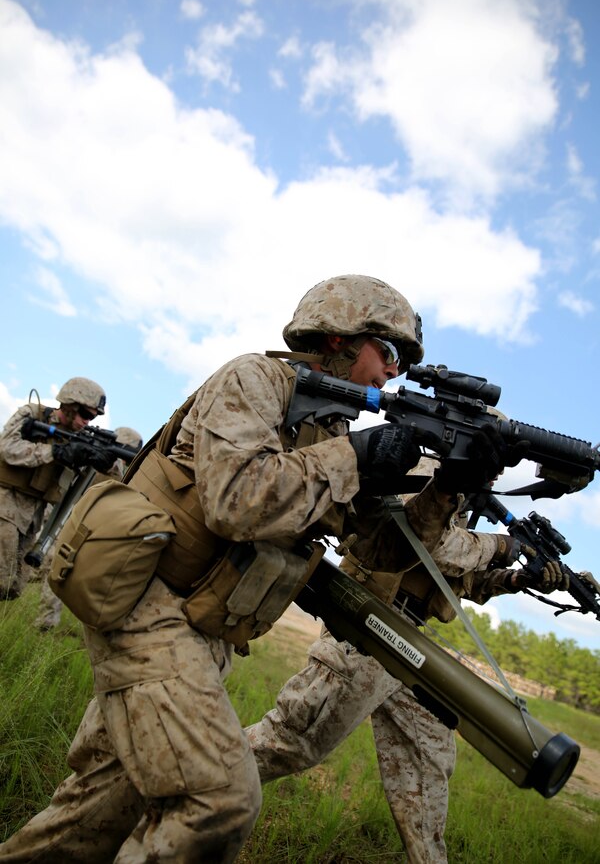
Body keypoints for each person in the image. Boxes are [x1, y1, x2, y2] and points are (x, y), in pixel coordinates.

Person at [0, 275, 510, 864]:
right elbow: (235, 499)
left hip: (200, 623)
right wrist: (358, 456)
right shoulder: (255, 380)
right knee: (219, 800)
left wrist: (446, 489)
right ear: (341, 335)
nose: (392, 373)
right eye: (389, 353)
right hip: (147, 601)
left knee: (96, 812)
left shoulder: (333, 429)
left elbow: (379, 551)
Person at [245, 456, 569, 864]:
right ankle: (189, 783)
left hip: (414, 644)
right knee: (294, 742)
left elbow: (460, 581)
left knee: (428, 763)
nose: (500, 471)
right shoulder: (427, 472)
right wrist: (501, 547)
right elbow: (432, 542)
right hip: (372, 626)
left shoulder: (464, 501)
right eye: (498, 457)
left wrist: (517, 579)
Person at [0, 378, 111, 600]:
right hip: (6, 504)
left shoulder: (81, 439)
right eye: (86, 415)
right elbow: (8, 448)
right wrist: (55, 453)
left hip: (33, 516)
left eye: (92, 418)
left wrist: (96, 461)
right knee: (2, 579)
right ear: (70, 405)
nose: (87, 423)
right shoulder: (33, 415)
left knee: (13, 589)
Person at [34, 426, 143, 632]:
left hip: (77, 525)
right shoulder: (99, 459)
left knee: (52, 568)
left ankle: (45, 624)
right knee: (49, 566)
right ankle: (45, 624)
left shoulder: (114, 466)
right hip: (66, 519)